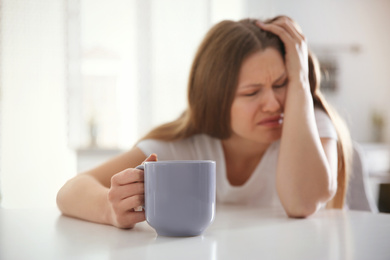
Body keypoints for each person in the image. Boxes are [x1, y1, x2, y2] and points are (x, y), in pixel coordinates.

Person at [57, 16, 352, 229]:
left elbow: (302, 203)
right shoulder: (188, 146)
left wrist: (301, 80)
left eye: (281, 83)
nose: (274, 103)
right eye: (252, 92)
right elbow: (70, 191)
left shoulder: (309, 123)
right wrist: (111, 209)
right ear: (216, 99)